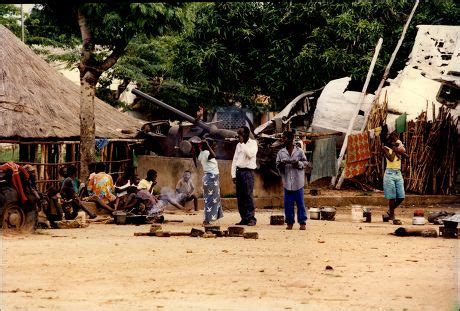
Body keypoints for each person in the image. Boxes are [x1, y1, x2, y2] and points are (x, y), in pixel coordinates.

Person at [276, 131, 310, 230]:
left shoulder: (299, 151)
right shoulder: (281, 152)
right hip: (287, 182)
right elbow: (277, 165)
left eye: (284, 138)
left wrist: (298, 163)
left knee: (300, 203)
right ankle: (289, 223)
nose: (283, 140)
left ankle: (302, 222)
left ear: (290, 139)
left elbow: (305, 163)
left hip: (298, 182)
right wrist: (281, 165)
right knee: (288, 204)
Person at [231, 126, 258, 226]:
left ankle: (251, 218)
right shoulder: (238, 145)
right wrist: (233, 174)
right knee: (240, 197)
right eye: (238, 134)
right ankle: (244, 218)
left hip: (248, 172)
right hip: (239, 172)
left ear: (246, 134)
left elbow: (250, 154)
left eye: (240, 134)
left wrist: (243, 144)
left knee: (248, 196)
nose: (239, 136)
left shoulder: (253, 143)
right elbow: (235, 160)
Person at [382, 132, 409, 221]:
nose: (395, 142)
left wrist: (399, 149)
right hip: (389, 174)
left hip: (398, 173)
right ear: (390, 142)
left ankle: (390, 211)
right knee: (392, 197)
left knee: (401, 196)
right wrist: (394, 149)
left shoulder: (397, 150)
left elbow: (407, 156)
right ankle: (392, 215)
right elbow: (391, 158)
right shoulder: (385, 148)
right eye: (393, 141)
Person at [198, 138, 223, 225]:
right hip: (211, 178)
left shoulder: (201, 154)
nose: (215, 147)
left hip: (211, 178)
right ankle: (206, 220)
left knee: (212, 199)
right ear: (209, 146)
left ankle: (209, 218)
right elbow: (214, 155)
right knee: (210, 199)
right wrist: (207, 145)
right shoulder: (206, 153)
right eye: (214, 145)